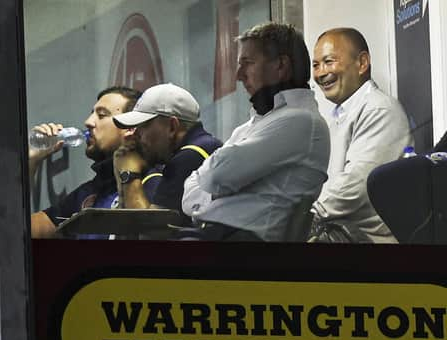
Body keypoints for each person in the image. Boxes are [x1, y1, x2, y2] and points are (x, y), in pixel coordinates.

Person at [180, 22, 330, 242]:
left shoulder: (301, 121)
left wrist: (213, 187)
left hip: (240, 252)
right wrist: (220, 184)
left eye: (247, 63)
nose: (239, 75)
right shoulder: (253, 125)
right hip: (213, 240)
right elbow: (190, 194)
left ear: (281, 66)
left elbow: (214, 175)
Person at [310, 28, 413, 243]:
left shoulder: (379, 110)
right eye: (316, 65)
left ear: (362, 63)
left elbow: (355, 186)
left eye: (329, 61)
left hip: (368, 247)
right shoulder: (340, 115)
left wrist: (307, 218)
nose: (320, 73)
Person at [30, 86, 160, 238]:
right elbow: (22, 230)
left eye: (102, 115)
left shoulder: (154, 181)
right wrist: (31, 160)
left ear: (129, 127)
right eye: (92, 113)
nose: (88, 122)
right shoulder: (89, 192)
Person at [111, 83, 222, 221]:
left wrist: (129, 173)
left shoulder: (190, 156)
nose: (136, 134)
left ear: (172, 127)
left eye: (143, 126)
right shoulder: (204, 147)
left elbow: (150, 230)